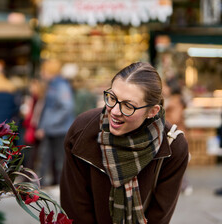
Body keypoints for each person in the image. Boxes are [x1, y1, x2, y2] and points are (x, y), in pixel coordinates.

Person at [60, 62, 189, 224]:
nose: (114, 111)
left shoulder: (173, 145)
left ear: (152, 111)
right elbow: (75, 208)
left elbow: (159, 215)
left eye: (128, 106)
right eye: (112, 98)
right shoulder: (82, 132)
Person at [36, 59, 75, 186]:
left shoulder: (60, 86)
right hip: (53, 129)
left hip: (59, 130)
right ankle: (48, 184)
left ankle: (61, 185)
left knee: (59, 160)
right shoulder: (53, 85)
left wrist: (49, 124)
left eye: (44, 70)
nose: (42, 73)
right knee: (48, 158)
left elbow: (66, 107)